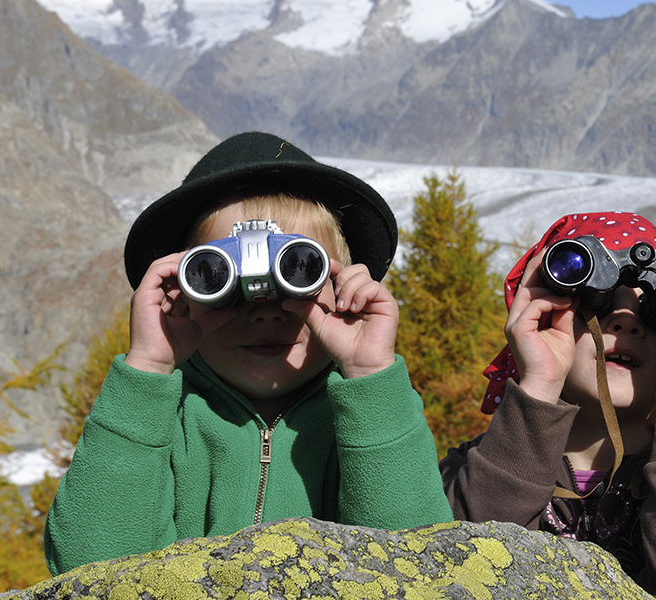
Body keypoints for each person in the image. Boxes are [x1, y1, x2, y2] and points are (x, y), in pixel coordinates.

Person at [44, 131, 453, 575]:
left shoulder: (367, 419)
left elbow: (417, 567)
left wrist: (371, 376)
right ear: (182, 293)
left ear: (343, 285)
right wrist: (147, 369)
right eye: (220, 280)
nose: (264, 311)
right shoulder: (158, 423)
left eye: (299, 271)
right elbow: (89, 570)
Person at [440, 212, 656, 600]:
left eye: (655, 314)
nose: (626, 322)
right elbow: (461, 575)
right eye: (594, 305)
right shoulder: (476, 469)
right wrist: (538, 386)